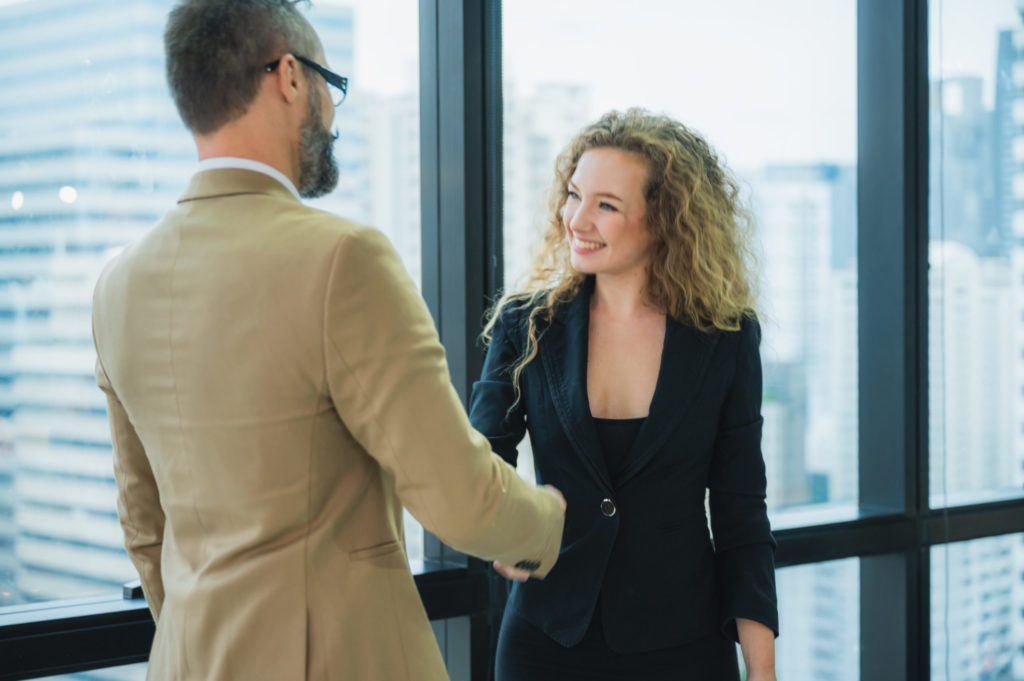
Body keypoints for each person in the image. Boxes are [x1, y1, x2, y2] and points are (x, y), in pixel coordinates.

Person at [90, 2, 565, 680]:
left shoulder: (115, 285)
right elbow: (459, 497)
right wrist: (548, 521)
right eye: (327, 84)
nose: (331, 112)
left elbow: (144, 524)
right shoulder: (343, 258)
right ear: (287, 76)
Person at [469, 109, 778, 681]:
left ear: (664, 222)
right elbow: (481, 461)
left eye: (606, 205)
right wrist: (507, 530)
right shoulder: (525, 326)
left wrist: (762, 671)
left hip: (685, 647)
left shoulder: (726, 340)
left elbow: (741, 512)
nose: (576, 220)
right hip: (544, 645)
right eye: (573, 195)